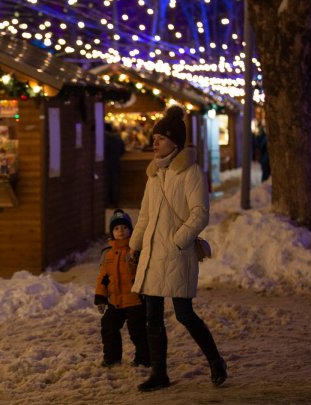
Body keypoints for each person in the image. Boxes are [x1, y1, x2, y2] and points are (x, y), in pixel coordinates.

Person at [129, 105, 227, 391]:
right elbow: (145, 215)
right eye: (155, 138)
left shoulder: (190, 172)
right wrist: (135, 245)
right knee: (152, 316)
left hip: (176, 253)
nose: (155, 142)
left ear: (174, 142)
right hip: (151, 254)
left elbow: (200, 212)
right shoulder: (154, 175)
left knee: (184, 313)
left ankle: (215, 360)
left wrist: (177, 240)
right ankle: (160, 373)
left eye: (160, 138)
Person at [94, 209, 149, 368]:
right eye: (117, 228)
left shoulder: (136, 251)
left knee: (138, 332)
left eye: (125, 228)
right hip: (115, 301)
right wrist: (100, 296)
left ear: (131, 230)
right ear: (111, 232)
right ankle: (112, 358)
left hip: (135, 301)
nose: (121, 231)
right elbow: (103, 278)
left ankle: (144, 359)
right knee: (108, 327)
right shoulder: (107, 254)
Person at [104, 123, 125, 208]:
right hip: (116, 164)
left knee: (106, 184)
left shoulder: (104, 140)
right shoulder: (118, 139)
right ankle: (116, 203)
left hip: (106, 165)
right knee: (115, 184)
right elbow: (122, 151)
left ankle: (107, 203)